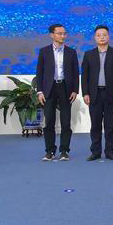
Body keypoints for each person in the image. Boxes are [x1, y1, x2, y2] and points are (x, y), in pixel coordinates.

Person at [81, 25, 113, 161]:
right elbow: (85, 76)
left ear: (109, 37)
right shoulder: (88, 54)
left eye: (104, 35)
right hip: (94, 94)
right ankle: (95, 152)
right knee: (95, 125)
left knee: (110, 125)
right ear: (95, 38)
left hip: (111, 94)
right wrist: (85, 93)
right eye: (99, 35)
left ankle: (110, 151)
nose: (102, 37)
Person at [36, 24, 79, 161]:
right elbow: (39, 72)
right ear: (52, 35)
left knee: (66, 122)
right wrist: (39, 91)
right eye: (59, 33)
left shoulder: (71, 52)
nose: (63, 36)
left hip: (65, 88)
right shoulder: (44, 51)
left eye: (64, 33)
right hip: (49, 89)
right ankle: (50, 151)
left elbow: (75, 73)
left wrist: (75, 90)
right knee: (49, 122)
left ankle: (64, 151)